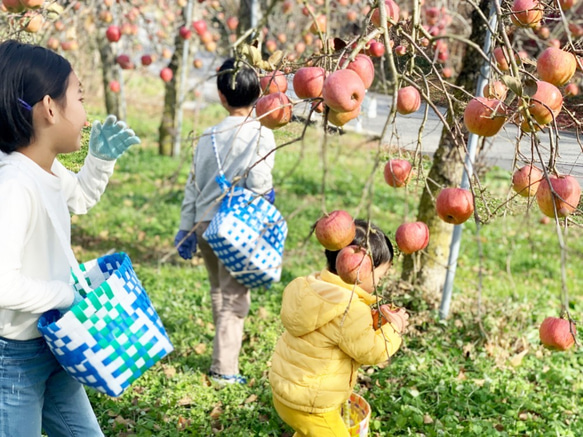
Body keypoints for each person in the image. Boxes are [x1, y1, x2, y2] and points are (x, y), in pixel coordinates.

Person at [0, 40, 141, 437]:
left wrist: (99, 159)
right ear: (49, 108)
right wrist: (66, 295)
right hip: (13, 358)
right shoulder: (13, 183)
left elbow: (79, 198)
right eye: (78, 98)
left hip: (51, 341)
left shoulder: (43, 168)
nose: (85, 115)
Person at [174, 58, 276, 385]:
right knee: (235, 299)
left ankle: (222, 354)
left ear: (221, 95)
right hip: (236, 229)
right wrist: (264, 198)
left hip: (204, 225)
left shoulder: (208, 136)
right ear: (258, 95)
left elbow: (193, 184)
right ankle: (224, 370)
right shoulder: (261, 134)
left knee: (220, 291)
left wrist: (186, 227)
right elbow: (259, 181)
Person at [269, 219, 409, 437]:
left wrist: (372, 319)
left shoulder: (312, 288)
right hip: (313, 406)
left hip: (286, 395)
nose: (379, 283)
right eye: (379, 276)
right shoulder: (350, 308)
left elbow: (338, 334)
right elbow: (371, 351)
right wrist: (394, 328)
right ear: (360, 271)